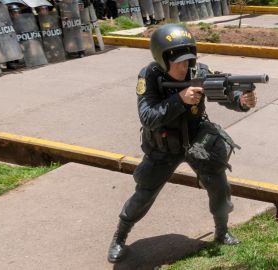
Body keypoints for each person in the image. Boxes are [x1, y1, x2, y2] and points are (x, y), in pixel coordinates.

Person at [107, 23, 258, 263]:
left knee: (219, 187)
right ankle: (119, 237)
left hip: (198, 141)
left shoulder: (199, 71)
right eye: (177, 61)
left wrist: (241, 100)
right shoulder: (149, 76)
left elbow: (224, 92)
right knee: (144, 194)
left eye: (187, 60)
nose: (184, 66)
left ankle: (222, 232)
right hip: (163, 147)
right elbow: (147, 117)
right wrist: (179, 99)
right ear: (161, 58)